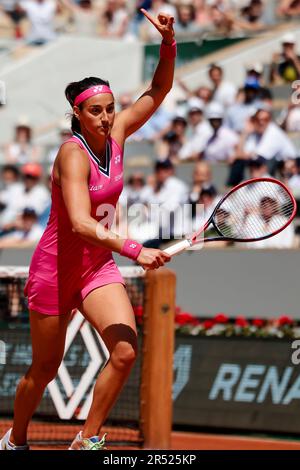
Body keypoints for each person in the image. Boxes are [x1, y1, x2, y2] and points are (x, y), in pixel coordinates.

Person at [0, 8, 174, 451]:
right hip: (55, 270)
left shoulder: (117, 137)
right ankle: (15, 439)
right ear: (77, 114)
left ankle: (88, 437)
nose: (107, 117)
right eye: (95, 111)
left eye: (111, 109)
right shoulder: (71, 155)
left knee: (125, 351)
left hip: (97, 267)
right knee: (44, 370)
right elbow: (78, 223)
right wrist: (135, 248)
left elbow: (158, 89)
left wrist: (168, 45)